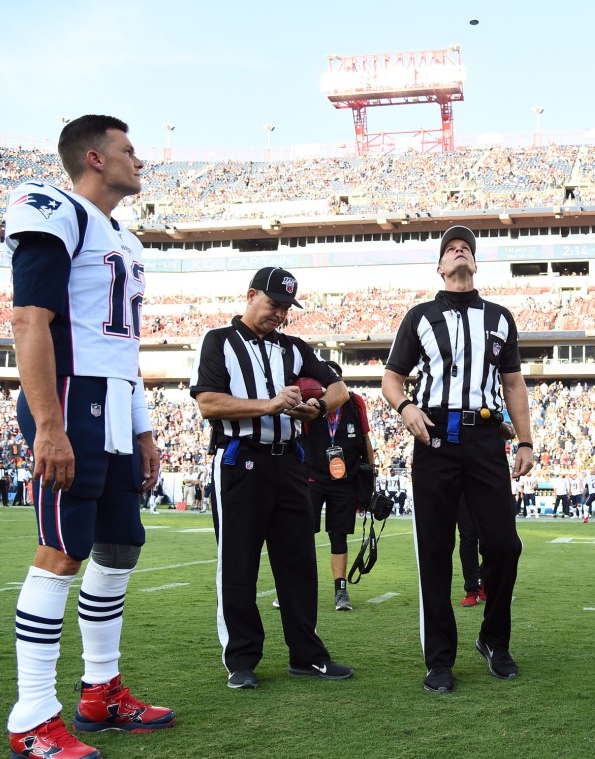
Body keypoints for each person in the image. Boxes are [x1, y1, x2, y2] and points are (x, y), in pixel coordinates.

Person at [4, 115, 174, 759]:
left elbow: (122, 348)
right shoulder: (53, 209)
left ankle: (100, 691)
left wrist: (142, 425)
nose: (141, 160)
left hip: (110, 403)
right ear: (96, 158)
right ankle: (32, 717)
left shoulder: (123, 238)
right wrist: (48, 422)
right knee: (60, 550)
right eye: (130, 150)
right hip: (69, 399)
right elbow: (28, 318)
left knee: (121, 543)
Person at [382, 225, 534, 694]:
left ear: (475, 263)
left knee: (505, 545)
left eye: (465, 246)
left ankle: (493, 640)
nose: (459, 250)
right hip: (435, 440)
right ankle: (439, 658)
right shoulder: (420, 316)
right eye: (450, 248)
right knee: (434, 551)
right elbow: (392, 378)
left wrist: (525, 441)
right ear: (440, 267)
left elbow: (512, 384)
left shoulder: (500, 317)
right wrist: (406, 409)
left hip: (486, 438)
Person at [191, 266, 355, 690]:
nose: (279, 315)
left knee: (298, 561)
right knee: (239, 562)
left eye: (285, 308)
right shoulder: (218, 342)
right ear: (250, 296)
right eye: (272, 305)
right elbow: (208, 403)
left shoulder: (294, 348)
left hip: (290, 463)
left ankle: (307, 655)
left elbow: (339, 390)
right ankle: (241, 659)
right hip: (239, 461)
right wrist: (268, 405)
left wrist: (317, 410)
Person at [300, 360, 374, 612]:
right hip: (312, 477)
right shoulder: (309, 405)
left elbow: (365, 440)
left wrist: (370, 479)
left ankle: (340, 590)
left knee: (339, 535)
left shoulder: (355, 402)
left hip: (346, 479)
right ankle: (293, 587)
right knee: (301, 533)